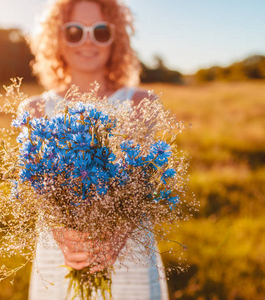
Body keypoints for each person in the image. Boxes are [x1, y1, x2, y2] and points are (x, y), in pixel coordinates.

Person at [26, 0, 169, 299]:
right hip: (62, 254)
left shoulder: (140, 102)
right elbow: (34, 188)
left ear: (115, 39)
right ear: (57, 38)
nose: (88, 41)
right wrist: (65, 236)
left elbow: (140, 183)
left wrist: (116, 235)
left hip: (129, 253)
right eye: (75, 31)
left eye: (100, 31)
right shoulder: (36, 108)